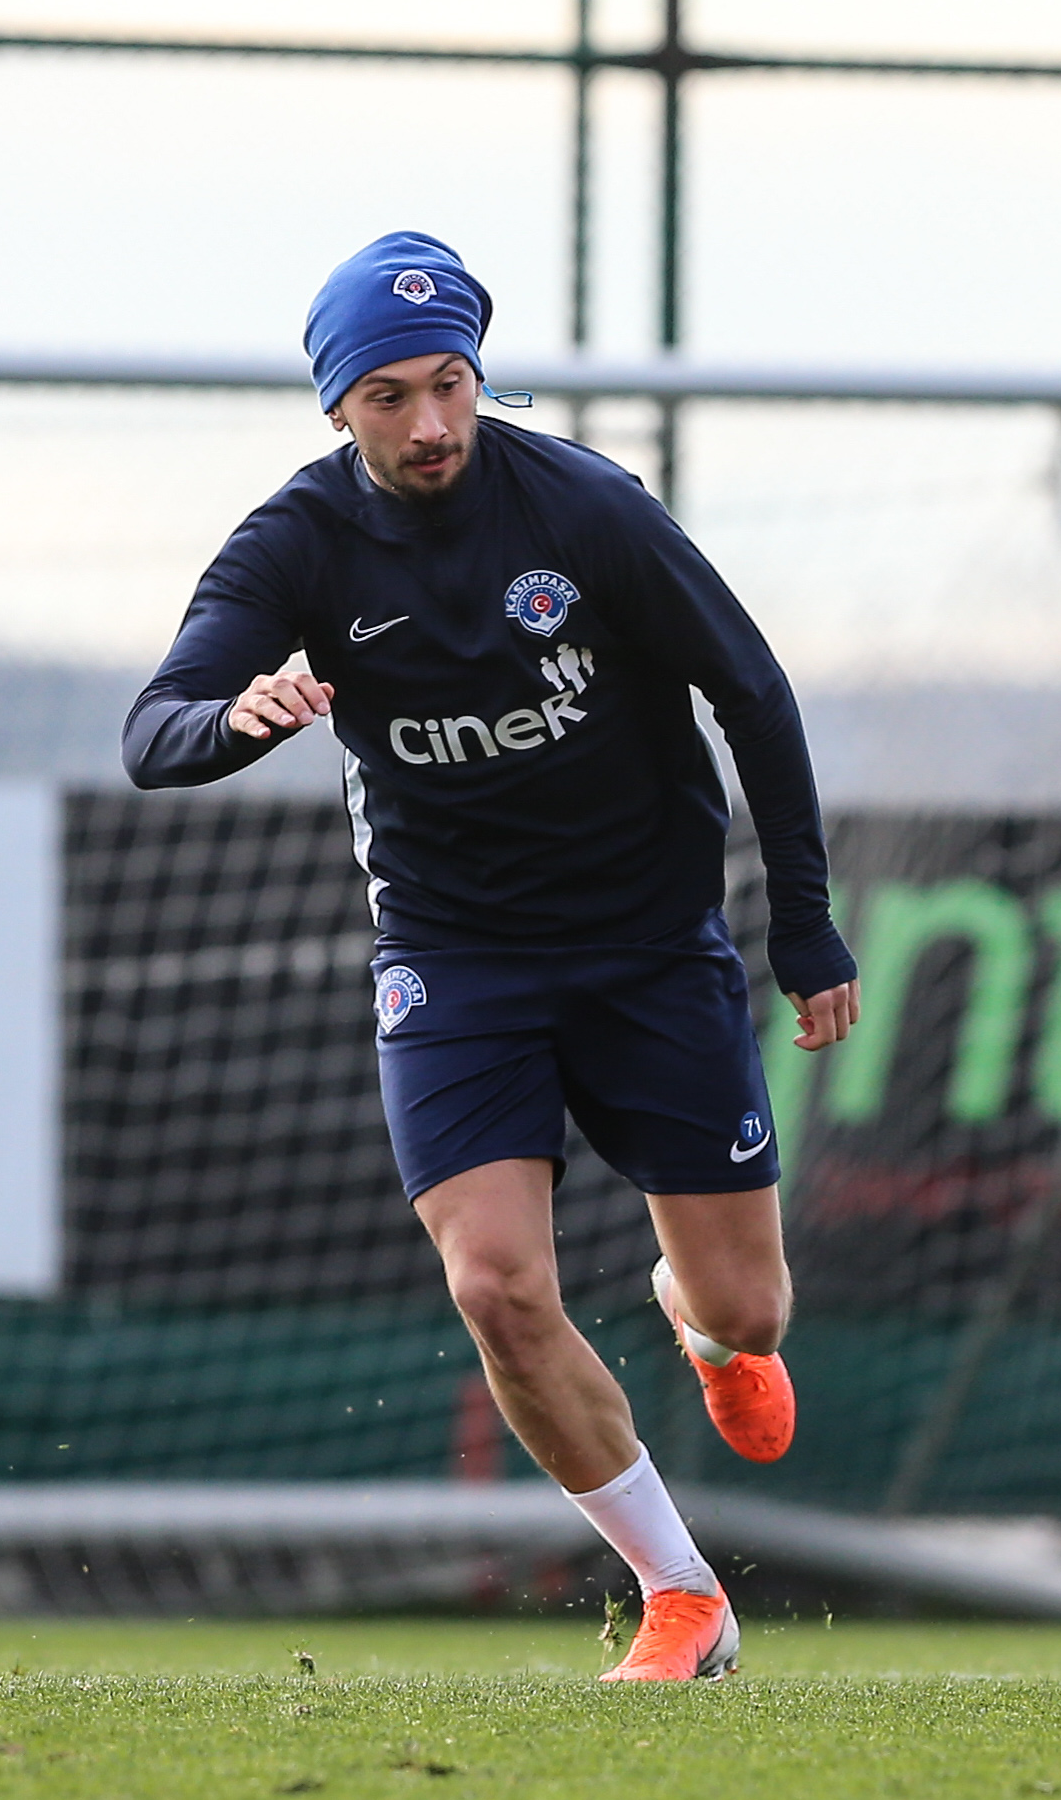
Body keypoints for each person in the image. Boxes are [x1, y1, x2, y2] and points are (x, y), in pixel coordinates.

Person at [125, 232, 859, 1683]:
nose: (429, 422)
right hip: (453, 959)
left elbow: (752, 691)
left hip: (648, 948)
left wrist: (803, 920)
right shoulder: (296, 545)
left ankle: (701, 1325)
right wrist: (234, 720)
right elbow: (154, 733)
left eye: (449, 383)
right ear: (338, 407)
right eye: (388, 396)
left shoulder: (586, 508)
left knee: (750, 1308)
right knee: (497, 1287)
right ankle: (681, 1592)